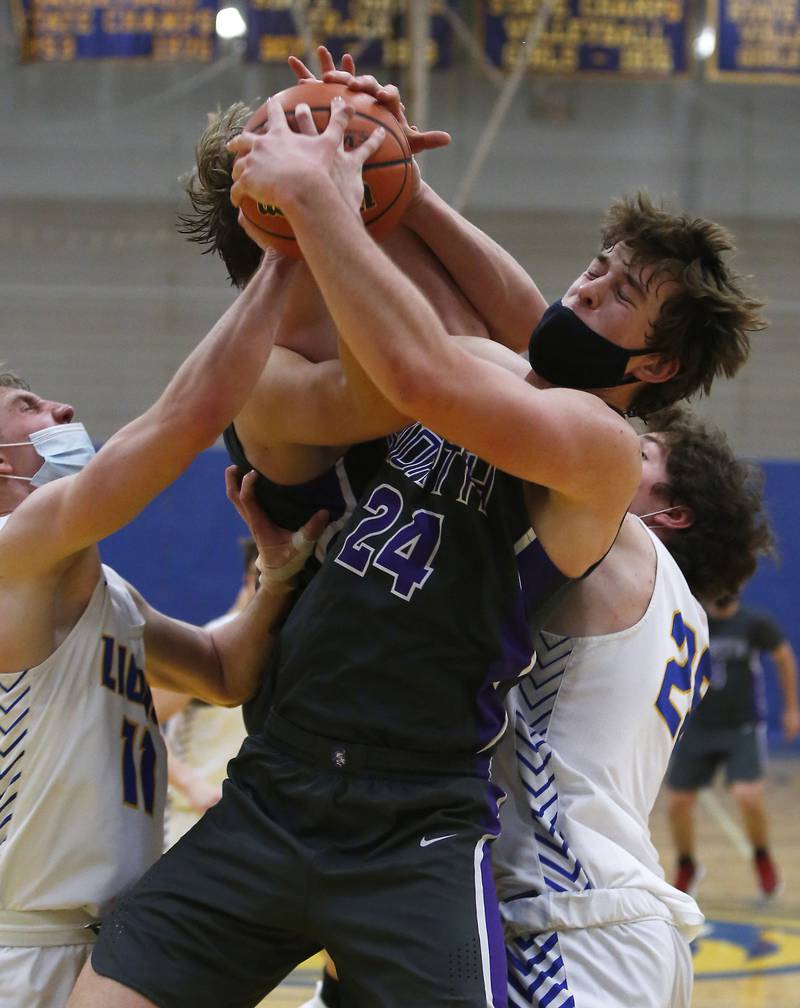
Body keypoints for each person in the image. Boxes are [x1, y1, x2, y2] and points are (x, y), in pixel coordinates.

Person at [69, 83, 763, 1008]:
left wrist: (324, 200)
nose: (586, 284)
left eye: (619, 293)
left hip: (417, 820)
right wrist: (403, 182)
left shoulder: (597, 451)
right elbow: (508, 320)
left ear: (655, 366)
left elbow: (417, 365)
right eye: (596, 266)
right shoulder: (503, 371)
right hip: (279, 781)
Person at [296, 406, 776, 1008]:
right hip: (617, 923)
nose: (616, 446)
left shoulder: (618, 547)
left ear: (671, 513)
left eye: (643, 451)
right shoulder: (689, 621)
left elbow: (502, 411)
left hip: (569, 924)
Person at [0, 239, 332, 1008]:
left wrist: (277, 581)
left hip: (109, 943)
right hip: (23, 952)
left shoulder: (104, 588)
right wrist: (283, 256)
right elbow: (186, 419)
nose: (64, 413)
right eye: (30, 409)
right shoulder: (12, 558)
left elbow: (221, 673)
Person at [665, 593, 799, 900]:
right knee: (677, 802)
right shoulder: (695, 622)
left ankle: (762, 856)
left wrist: (791, 708)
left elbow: (784, 657)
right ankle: (687, 865)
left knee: (747, 795)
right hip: (700, 725)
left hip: (741, 725)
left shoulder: (753, 623)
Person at [152, 539, 259, 848]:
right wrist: (191, 784)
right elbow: (140, 718)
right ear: (250, 579)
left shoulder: (304, 643)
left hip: (261, 830)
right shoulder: (217, 641)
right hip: (196, 823)